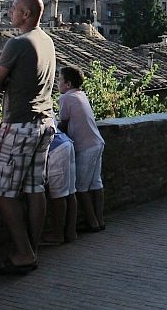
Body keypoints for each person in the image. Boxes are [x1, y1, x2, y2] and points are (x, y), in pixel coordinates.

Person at [0, 0, 56, 275]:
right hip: (45, 121)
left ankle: (24, 253)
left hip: (19, 124)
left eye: (13, 9)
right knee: (35, 188)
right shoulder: (47, 41)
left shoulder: (18, 43)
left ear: (25, 14)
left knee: (3, 191)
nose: (9, 13)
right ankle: (33, 249)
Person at [57, 65, 106, 233]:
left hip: (85, 146)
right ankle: (100, 220)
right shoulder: (81, 95)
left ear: (68, 84)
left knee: (81, 187)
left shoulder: (65, 98)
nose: (58, 83)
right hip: (97, 142)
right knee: (96, 183)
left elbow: (62, 124)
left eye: (60, 80)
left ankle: (92, 223)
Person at [41, 130, 78, 245]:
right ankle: (71, 232)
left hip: (55, 148)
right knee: (70, 192)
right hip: (66, 142)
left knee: (58, 195)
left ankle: (58, 235)